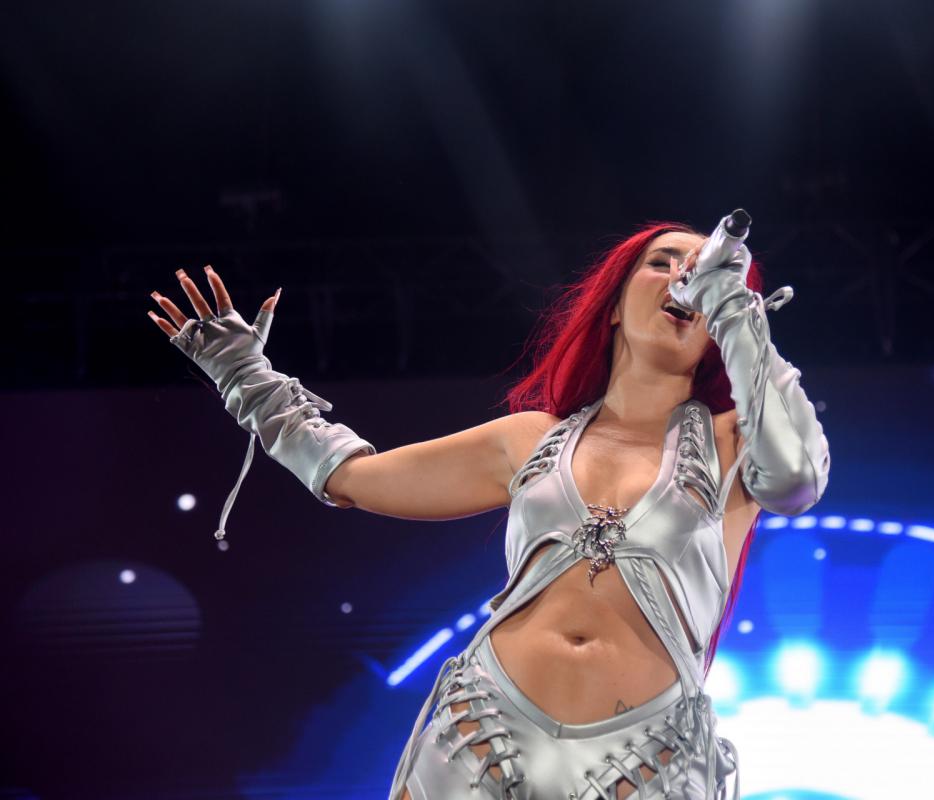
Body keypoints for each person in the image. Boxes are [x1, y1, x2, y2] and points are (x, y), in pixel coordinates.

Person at [148, 211, 831, 799]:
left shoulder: (736, 444)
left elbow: (799, 477)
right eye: (663, 263)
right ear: (615, 305)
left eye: (704, 271)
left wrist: (736, 309)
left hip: (646, 758)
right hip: (483, 731)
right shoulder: (530, 440)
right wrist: (248, 380)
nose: (685, 278)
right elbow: (352, 477)